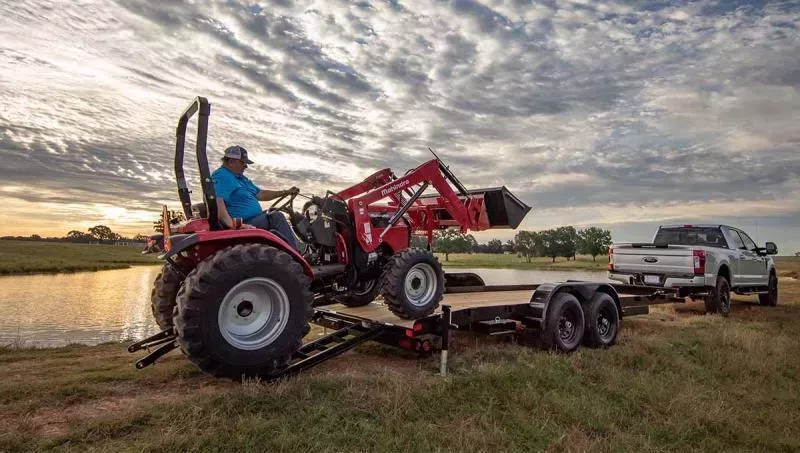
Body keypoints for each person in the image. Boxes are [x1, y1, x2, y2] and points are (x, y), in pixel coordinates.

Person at [211, 145, 300, 250]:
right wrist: (234, 225)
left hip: (252, 219)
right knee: (277, 217)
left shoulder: (240, 178)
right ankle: (295, 254)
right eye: (242, 162)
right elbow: (217, 202)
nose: (246, 166)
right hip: (241, 222)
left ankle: (289, 250)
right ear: (231, 161)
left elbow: (260, 194)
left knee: (273, 212)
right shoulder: (222, 176)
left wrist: (285, 192)